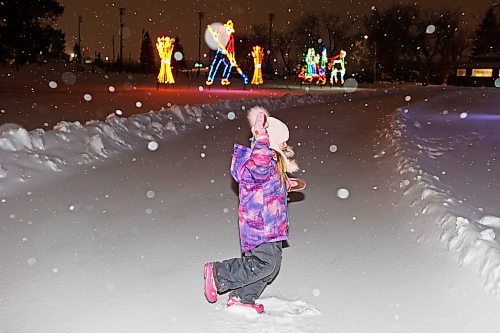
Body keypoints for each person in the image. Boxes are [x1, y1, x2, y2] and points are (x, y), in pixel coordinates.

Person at [203, 106, 299, 314]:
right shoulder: (256, 163)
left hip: (272, 227)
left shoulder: (269, 165)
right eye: (283, 140)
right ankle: (219, 272)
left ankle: (242, 298)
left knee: (270, 267)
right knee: (264, 264)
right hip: (259, 227)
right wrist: (261, 136)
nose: (286, 144)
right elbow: (258, 169)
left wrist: (285, 184)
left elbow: (266, 183)